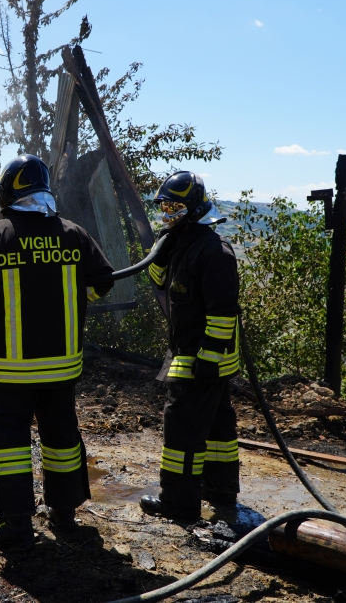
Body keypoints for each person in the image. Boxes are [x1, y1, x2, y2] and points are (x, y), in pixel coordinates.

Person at [0, 154, 115, 548]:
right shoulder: (74, 234)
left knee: (10, 444)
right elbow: (103, 281)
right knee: (61, 437)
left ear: (8, 192)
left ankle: (17, 526)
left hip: (9, 372)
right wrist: (76, 299)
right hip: (61, 371)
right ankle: (64, 514)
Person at [138, 171, 241, 522]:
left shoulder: (214, 251)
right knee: (217, 427)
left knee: (182, 427)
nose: (167, 213)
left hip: (202, 358)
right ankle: (221, 490)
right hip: (195, 354)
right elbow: (160, 281)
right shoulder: (182, 244)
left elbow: (224, 311)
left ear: (194, 209)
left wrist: (209, 359)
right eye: (164, 206)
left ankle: (178, 504)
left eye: (174, 207)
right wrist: (162, 249)